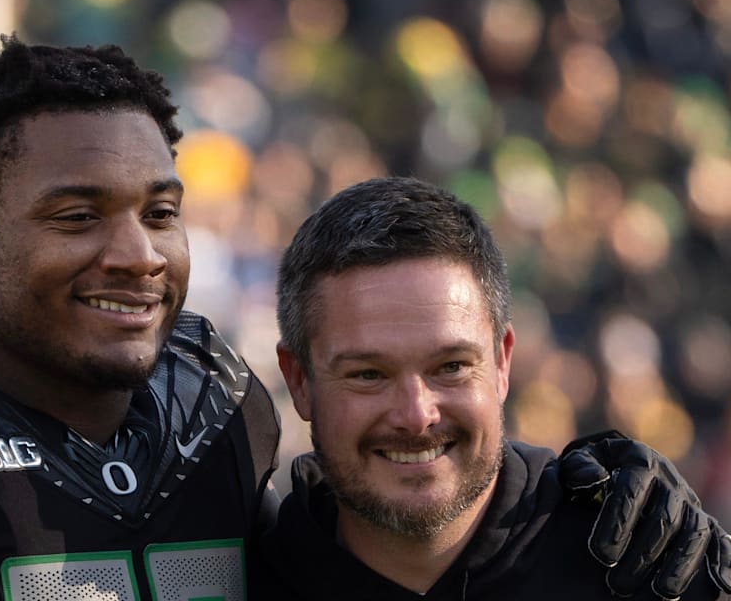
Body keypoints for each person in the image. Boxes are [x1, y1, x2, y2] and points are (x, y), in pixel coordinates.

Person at [0, 37, 728, 600]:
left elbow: (401, 490)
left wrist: (572, 492)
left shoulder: (213, 410)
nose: (135, 252)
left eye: (160, 213)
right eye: (77, 215)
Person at [255, 176, 731, 599]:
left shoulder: (641, 563)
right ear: (298, 379)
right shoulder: (245, 579)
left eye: (451, 367)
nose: (417, 415)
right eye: (368, 375)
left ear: (502, 362)